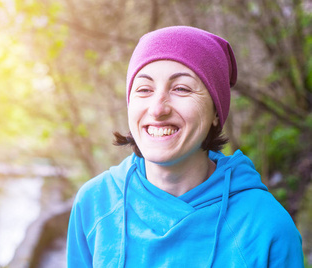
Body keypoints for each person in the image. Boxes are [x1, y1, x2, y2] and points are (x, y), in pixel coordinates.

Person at [66, 26, 304, 267]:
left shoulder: (265, 226)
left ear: (215, 111)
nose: (158, 109)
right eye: (144, 89)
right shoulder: (95, 203)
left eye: (181, 88)